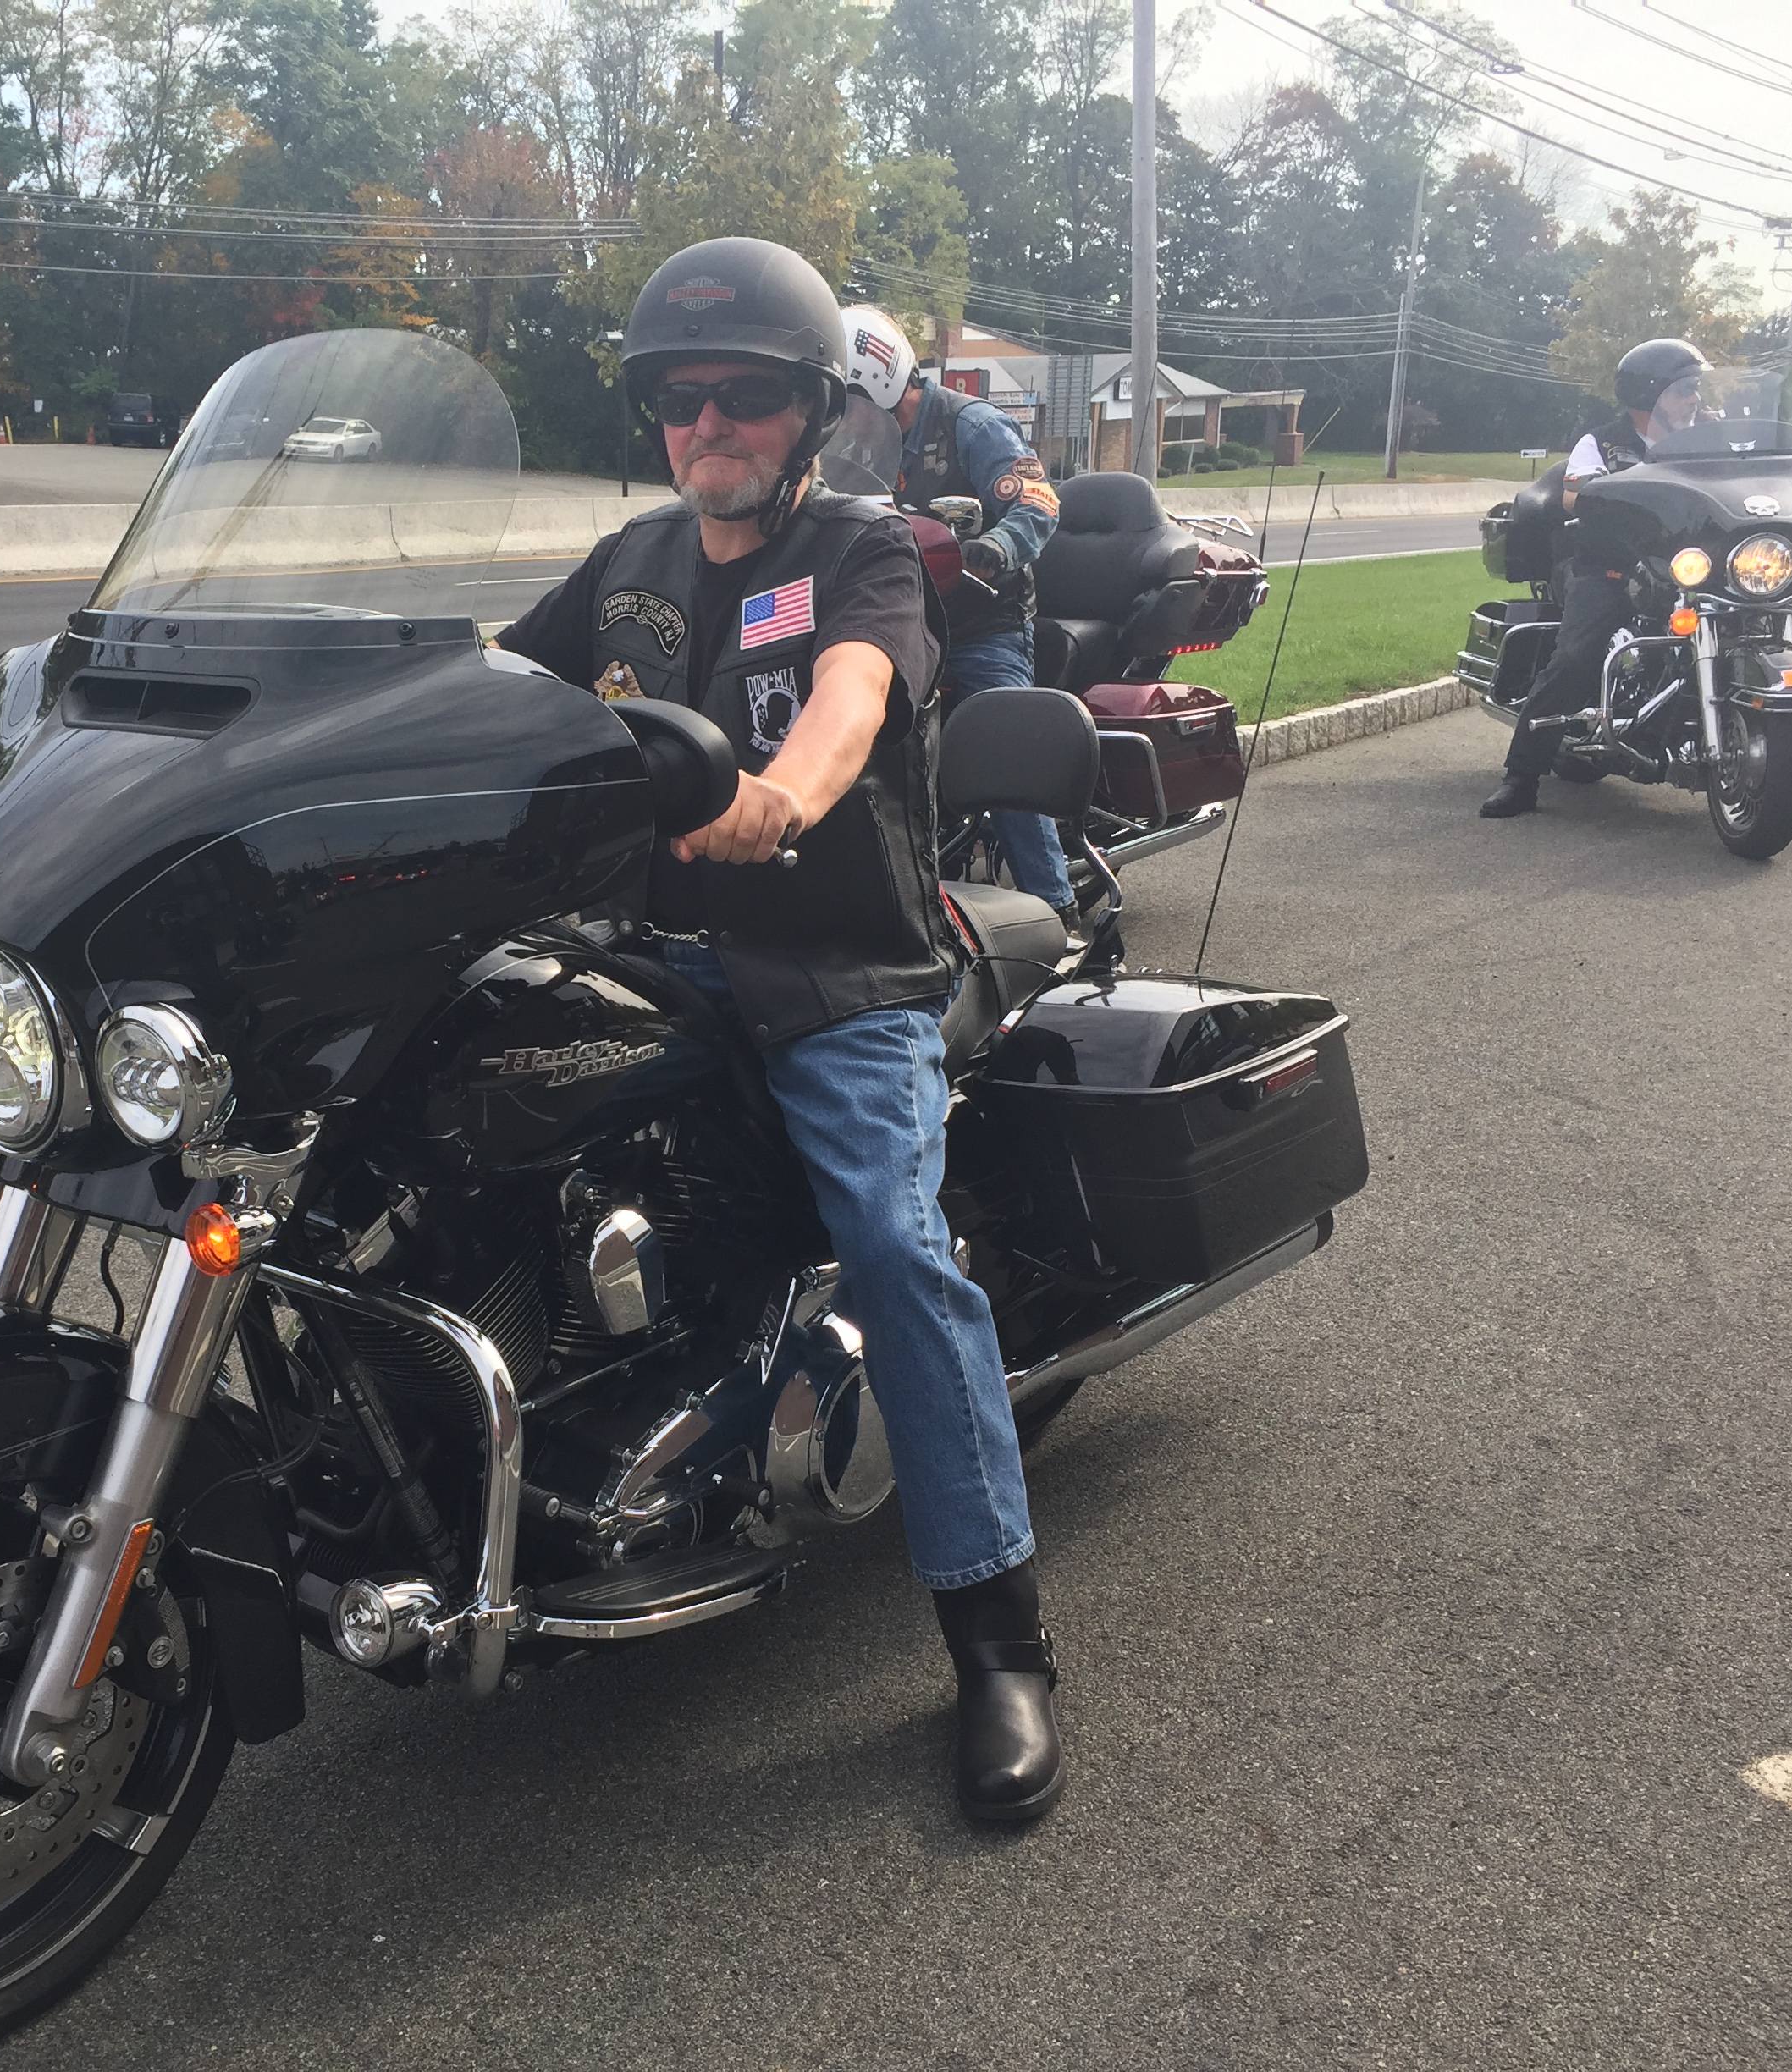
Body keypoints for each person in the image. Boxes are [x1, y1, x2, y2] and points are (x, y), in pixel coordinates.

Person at [499, 237, 1063, 1825]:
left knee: (890, 1243)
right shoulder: (627, 562)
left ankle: (998, 1637)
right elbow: (492, 688)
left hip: (837, 974)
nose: (708, 425)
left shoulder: (860, 551)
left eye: (743, 394)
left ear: (809, 410)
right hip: (641, 958)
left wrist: (778, 800)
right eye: (680, 399)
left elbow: (852, 700)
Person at [841, 306, 1076, 918]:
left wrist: (995, 546)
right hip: (901, 620)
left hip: (981, 624)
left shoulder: (973, 424)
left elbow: (1038, 500)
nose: (840, 418)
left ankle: (1058, 907)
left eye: (847, 403)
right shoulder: (858, 447)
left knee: (1002, 745)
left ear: (878, 384)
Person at [1480, 337, 1709, 818]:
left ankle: (1771, 768)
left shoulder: (1710, 438)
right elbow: (1573, 495)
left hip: (1692, 569)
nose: (1695, 398)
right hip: (1609, 567)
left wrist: (1782, 776)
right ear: (1650, 396)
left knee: (1753, 628)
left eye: (1695, 388)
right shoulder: (1601, 443)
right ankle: (1521, 775)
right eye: (1684, 389)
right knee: (1577, 654)